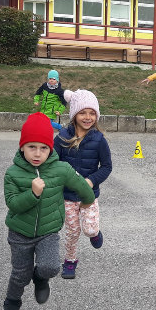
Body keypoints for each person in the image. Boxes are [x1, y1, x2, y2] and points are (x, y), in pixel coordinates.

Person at [2, 112, 95, 310]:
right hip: (20, 233)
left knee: (51, 267)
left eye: (43, 148)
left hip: (48, 231)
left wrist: (87, 200)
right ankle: (12, 302)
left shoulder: (60, 169)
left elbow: (82, 186)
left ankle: (40, 277)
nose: (37, 153)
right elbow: (13, 204)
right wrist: (33, 194)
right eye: (31, 147)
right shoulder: (13, 173)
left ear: (50, 149)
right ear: (22, 147)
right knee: (20, 274)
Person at [54, 90, 113, 280]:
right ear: (74, 115)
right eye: (82, 113)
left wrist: (91, 180)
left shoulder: (99, 140)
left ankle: (95, 233)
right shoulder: (62, 138)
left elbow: (106, 166)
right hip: (67, 196)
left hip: (88, 195)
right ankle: (70, 261)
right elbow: (52, 164)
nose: (88, 117)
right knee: (72, 231)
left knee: (89, 229)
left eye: (92, 113)